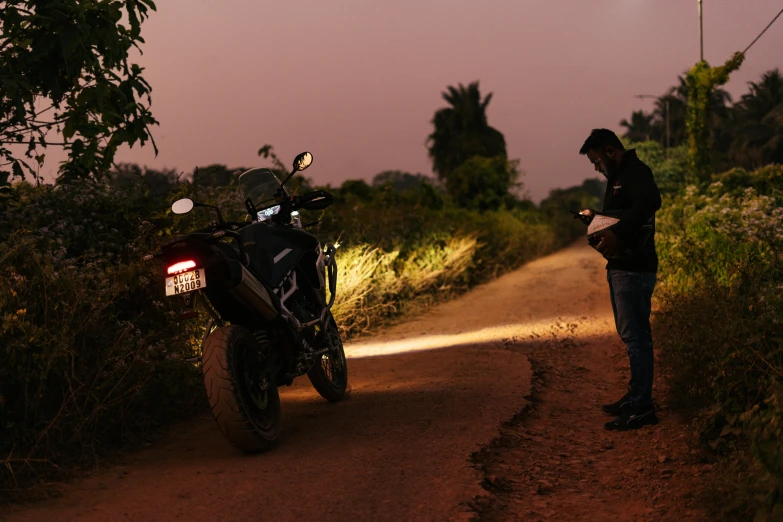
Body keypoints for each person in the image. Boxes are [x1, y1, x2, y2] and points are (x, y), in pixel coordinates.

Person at [577, 128, 662, 431]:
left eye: (597, 160)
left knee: (636, 337)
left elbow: (651, 201)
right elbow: (626, 214)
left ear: (611, 152)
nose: (596, 167)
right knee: (632, 336)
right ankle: (635, 396)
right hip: (623, 266)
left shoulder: (636, 172)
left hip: (635, 268)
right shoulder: (618, 177)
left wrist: (618, 233)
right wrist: (598, 218)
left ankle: (642, 408)